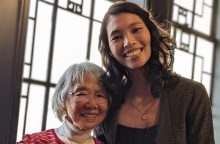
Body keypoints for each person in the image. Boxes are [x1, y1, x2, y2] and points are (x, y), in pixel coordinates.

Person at [94, 1, 215, 144]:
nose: (128, 42)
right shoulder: (105, 102)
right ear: (109, 50)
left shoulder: (192, 94)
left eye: (136, 30)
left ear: (151, 33)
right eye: (117, 37)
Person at [19, 62, 112, 144]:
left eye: (100, 95)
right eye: (81, 94)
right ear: (62, 101)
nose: (92, 105)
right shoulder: (34, 142)